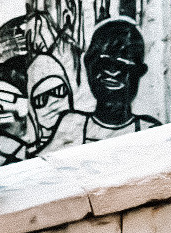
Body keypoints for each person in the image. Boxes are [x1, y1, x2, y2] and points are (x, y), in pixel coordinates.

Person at [40, 19, 159, 152]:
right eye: (104, 64)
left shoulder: (149, 130)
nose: (113, 72)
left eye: (123, 65)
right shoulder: (73, 125)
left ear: (139, 72)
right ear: (88, 66)